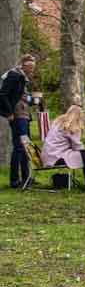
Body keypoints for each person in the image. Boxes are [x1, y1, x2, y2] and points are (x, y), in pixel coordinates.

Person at [40, 104, 85, 190]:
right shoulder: (72, 126)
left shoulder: (58, 122)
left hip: (48, 156)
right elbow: (77, 146)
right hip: (57, 157)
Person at [1, 55, 38, 189]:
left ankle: (26, 178)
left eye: (33, 67)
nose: (32, 69)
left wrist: (33, 101)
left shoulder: (23, 78)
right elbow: (3, 94)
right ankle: (14, 180)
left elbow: (22, 96)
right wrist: (9, 112)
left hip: (25, 114)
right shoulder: (13, 75)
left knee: (26, 146)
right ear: (22, 64)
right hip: (17, 115)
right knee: (19, 147)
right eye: (30, 66)